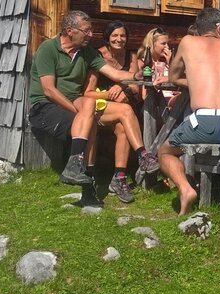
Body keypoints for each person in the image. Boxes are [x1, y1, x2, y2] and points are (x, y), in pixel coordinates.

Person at [27, 11, 143, 189]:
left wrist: (136, 75)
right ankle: (84, 174)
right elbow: (49, 90)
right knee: (89, 122)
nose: (91, 35)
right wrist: (80, 114)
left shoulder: (87, 52)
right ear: (70, 30)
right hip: (45, 106)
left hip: (76, 101)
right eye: (86, 30)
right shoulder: (48, 48)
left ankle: (139, 158)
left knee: (119, 110)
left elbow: (115, 73)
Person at [158, 8, 220, 215]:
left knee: (164, 152)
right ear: (219, 27)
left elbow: (173, 77)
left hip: (205, 122)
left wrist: (194, 82)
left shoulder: (188, 42)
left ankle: (186, 189)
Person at [82, 21, 156, 203]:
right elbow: (87, 93)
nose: (119, 39)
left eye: (122, 35)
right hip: (98, 108)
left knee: (123, 126)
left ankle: (119, 178)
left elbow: (135, 87)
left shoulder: (130, 57)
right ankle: (143, 154)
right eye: (115, 35)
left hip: (119, 112)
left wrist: (121, 87)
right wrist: (109, 94)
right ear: (107, 37)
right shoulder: (99, 56)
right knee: (126, 110)